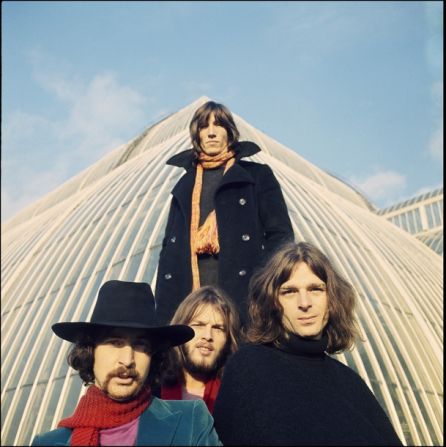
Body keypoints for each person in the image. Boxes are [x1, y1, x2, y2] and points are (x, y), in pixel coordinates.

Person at [213, 242, 403, 446]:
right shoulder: (250, 367)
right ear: (271, 302)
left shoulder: (350, 382)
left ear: (332, 299)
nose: (304, 303)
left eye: (315, 289)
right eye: (289, 292)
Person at [32, 280, 221, 446]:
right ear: (90, 351)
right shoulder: (48, 442)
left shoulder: (191, 422)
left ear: (153, 356)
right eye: (115, 343)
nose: (128, 360)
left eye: (140, 346)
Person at [155, 100, 293, 326]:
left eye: (218, 125)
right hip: (189, 298)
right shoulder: (184, 185)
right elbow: (168, 248)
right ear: (196, 135)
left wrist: (261, 282)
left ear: (230, 133)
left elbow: (281, 236)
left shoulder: (257, 176)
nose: (211, 133)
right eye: (203, 126)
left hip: (241, 293)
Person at [158, 286, 241, 413]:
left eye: (218, 328)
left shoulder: (235, 399)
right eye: (199, 325)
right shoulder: (150, 391)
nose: (208, 336)